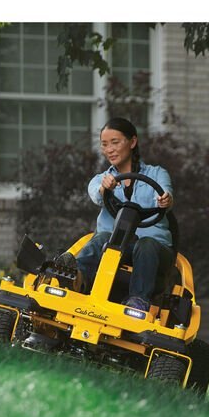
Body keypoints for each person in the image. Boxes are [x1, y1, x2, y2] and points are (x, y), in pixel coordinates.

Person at [60, 117, 175, 312]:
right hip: (116, 245)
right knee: (102, 237)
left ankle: (138, 300)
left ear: (132, 142)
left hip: (153, 248)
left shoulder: (157, 173)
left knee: (146, 244)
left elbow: (165, 193)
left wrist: (165, 200)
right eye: (104, 144)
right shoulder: (101, 179)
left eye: (115, 142)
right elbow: (96, 195)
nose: (109, 149)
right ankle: (75, 277)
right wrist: (105, 189)